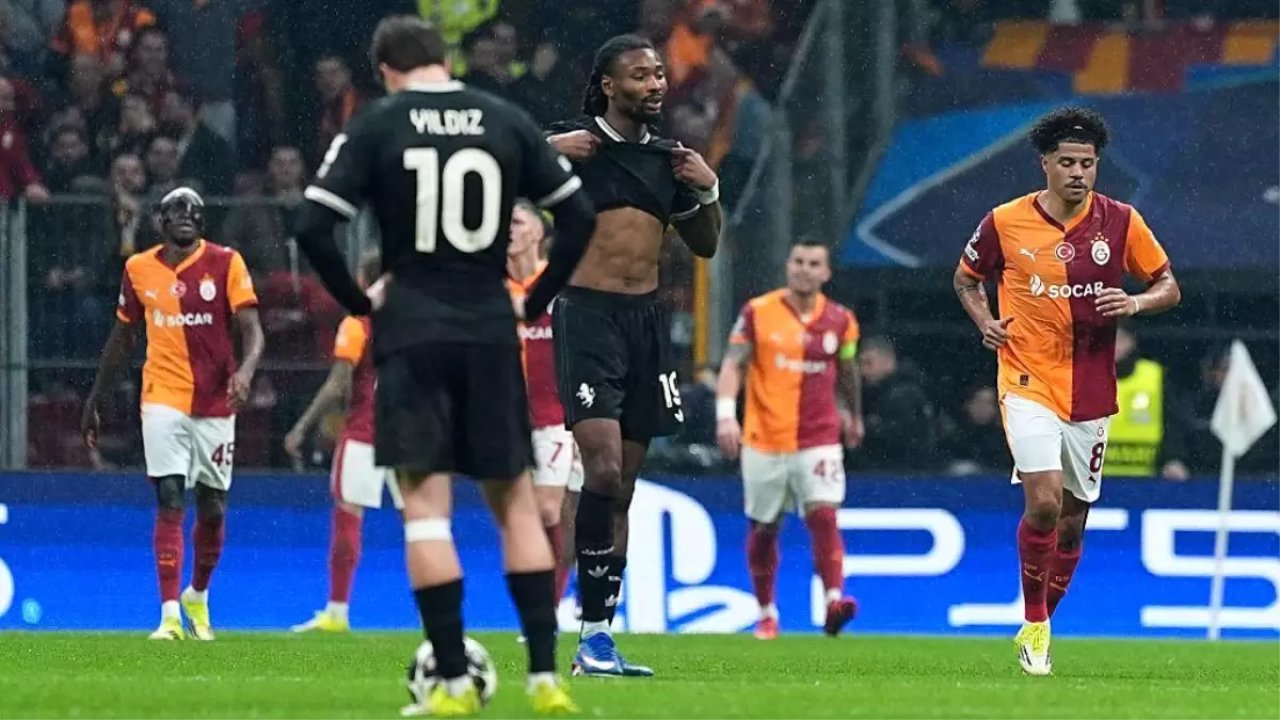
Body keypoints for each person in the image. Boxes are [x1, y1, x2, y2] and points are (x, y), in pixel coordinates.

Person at [291, 16, 595, 717]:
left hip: (412, 329)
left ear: (385, 70)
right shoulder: (504, 118)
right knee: (517, 507)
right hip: (490, 326)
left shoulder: (377, 124)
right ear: (444, 60)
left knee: (427, 513)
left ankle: (453, 685)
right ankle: (545, 680)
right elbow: (579, 216)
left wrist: (359, 301)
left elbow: (311, 225)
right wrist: (535, 299)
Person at [952, 107, 1181, 676]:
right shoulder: (1005, 221)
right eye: (1068, 163)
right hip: (1025, 379)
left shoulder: (1121, 221)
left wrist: (1134, 302)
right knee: (1045, 503)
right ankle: (1034, 623)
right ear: (1045, 165)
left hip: (1091, 389)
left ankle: (1041, 623)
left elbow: (1168, 285)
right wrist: (985, 321)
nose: (1079, 172)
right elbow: (965, 279)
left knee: (1073, 522)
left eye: (1088, 163)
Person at [544, 33, 722, 678]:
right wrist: (545, 152)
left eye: (658, 75)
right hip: (586, 316)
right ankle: (584, 626)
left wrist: (709, 190)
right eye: (641, 76)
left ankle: (597, 638)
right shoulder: (571, 144)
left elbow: (705, 245)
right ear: (609, 85)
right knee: (603, 469)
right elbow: (492, 165)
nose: (655, 85)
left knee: (624, 488)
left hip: (646, 325)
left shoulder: (669, 161)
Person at [80, 186, 265, 641]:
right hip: (161, 396)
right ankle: (167, 617)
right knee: (169, 496)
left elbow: (253, 330)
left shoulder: (227, 263)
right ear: (160, 220)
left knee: (213, 506)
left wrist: (245, 371)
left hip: (216, 400)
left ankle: (197, 595)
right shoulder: (138, 269)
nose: (185, 214)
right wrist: (96, 398)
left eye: (193, 209)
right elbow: (122, 337)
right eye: (175, 209)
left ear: (203, 221)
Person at [715, 240, 864, 640]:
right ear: (787, 265)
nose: (804, 269)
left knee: (824, 515)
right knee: (765, 527)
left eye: (814, 263)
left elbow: (847, 370)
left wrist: (854, 415)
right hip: (764, 437)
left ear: (826, 272)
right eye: (798, 261)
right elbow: (733, 364)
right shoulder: (756, 312)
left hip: (819, 436)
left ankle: (833, 601)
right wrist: (726, 414)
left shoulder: (841, 320)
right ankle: (766, 613)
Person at [285, 250, 402, 634]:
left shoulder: (357, 323)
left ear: (363, 281)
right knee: (423, 523)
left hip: (366, 433)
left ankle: (337, 611)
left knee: (348, 517)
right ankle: (439, 613)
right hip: (412, 435)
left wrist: (302, 427)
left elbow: (338, 384)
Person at [506, 200, 582, 606]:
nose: (509, 230)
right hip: (509, 420)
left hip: (557, 418)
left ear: (539, 232)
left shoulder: (559, 288)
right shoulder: (491, 289)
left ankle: (550, 608)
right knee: (532, 515)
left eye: (517, 222)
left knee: (552, 512)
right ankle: (545, 607)